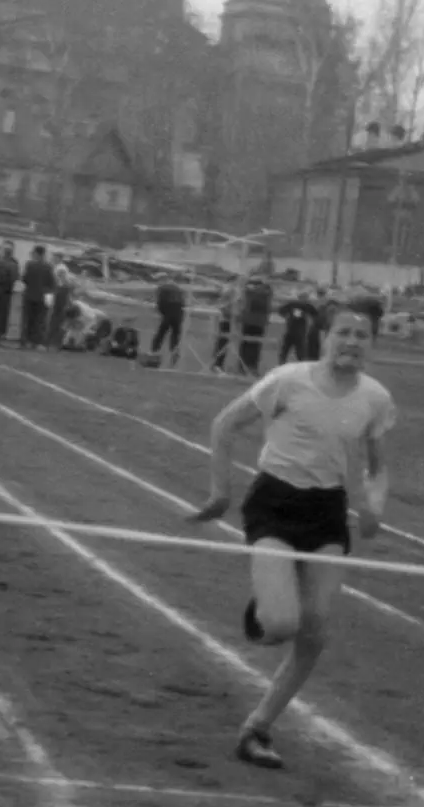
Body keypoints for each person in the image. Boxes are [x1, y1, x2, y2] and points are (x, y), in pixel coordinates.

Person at [188, 301, 397, 771]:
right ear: (325, 336)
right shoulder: (287, 380)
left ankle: (258, 727)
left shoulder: (375, 398)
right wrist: (221, 493)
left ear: (372, 344)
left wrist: (374, 507)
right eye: (343, 332)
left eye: (361, 336)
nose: (351, 343)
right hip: (275, 504)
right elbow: (224, 424)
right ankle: (266, 607)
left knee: (315, 628)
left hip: (326, 514)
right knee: (282, 625)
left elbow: (379, 468)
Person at [238, 272, 276, 376]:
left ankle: (245, 366)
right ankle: (249, 366)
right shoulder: (265, 292)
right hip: (257, 322)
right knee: (253, 345)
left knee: (248, 345)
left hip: (252, 321)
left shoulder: (251, 292)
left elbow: (245, 287)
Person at [18, 246, 55, 348]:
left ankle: (24, 341)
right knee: (39, 320)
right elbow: (51, 283)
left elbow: (25, 279)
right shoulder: (48, 266)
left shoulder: (30, 265)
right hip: (42, 297)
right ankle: (36, 342)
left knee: (27, 319)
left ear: (37, 253)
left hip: (29, 295)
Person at [151, 273, 188, 369]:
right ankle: (174, 356)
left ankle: (154, 354)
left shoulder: (162, 288)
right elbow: (183, 303)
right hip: (178, 314)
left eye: (158, 280)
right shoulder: (178, 288)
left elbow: (160, 303)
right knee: (175, 336)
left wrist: (161, 312)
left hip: (168, 313)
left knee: (160, 334)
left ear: (162, 279)